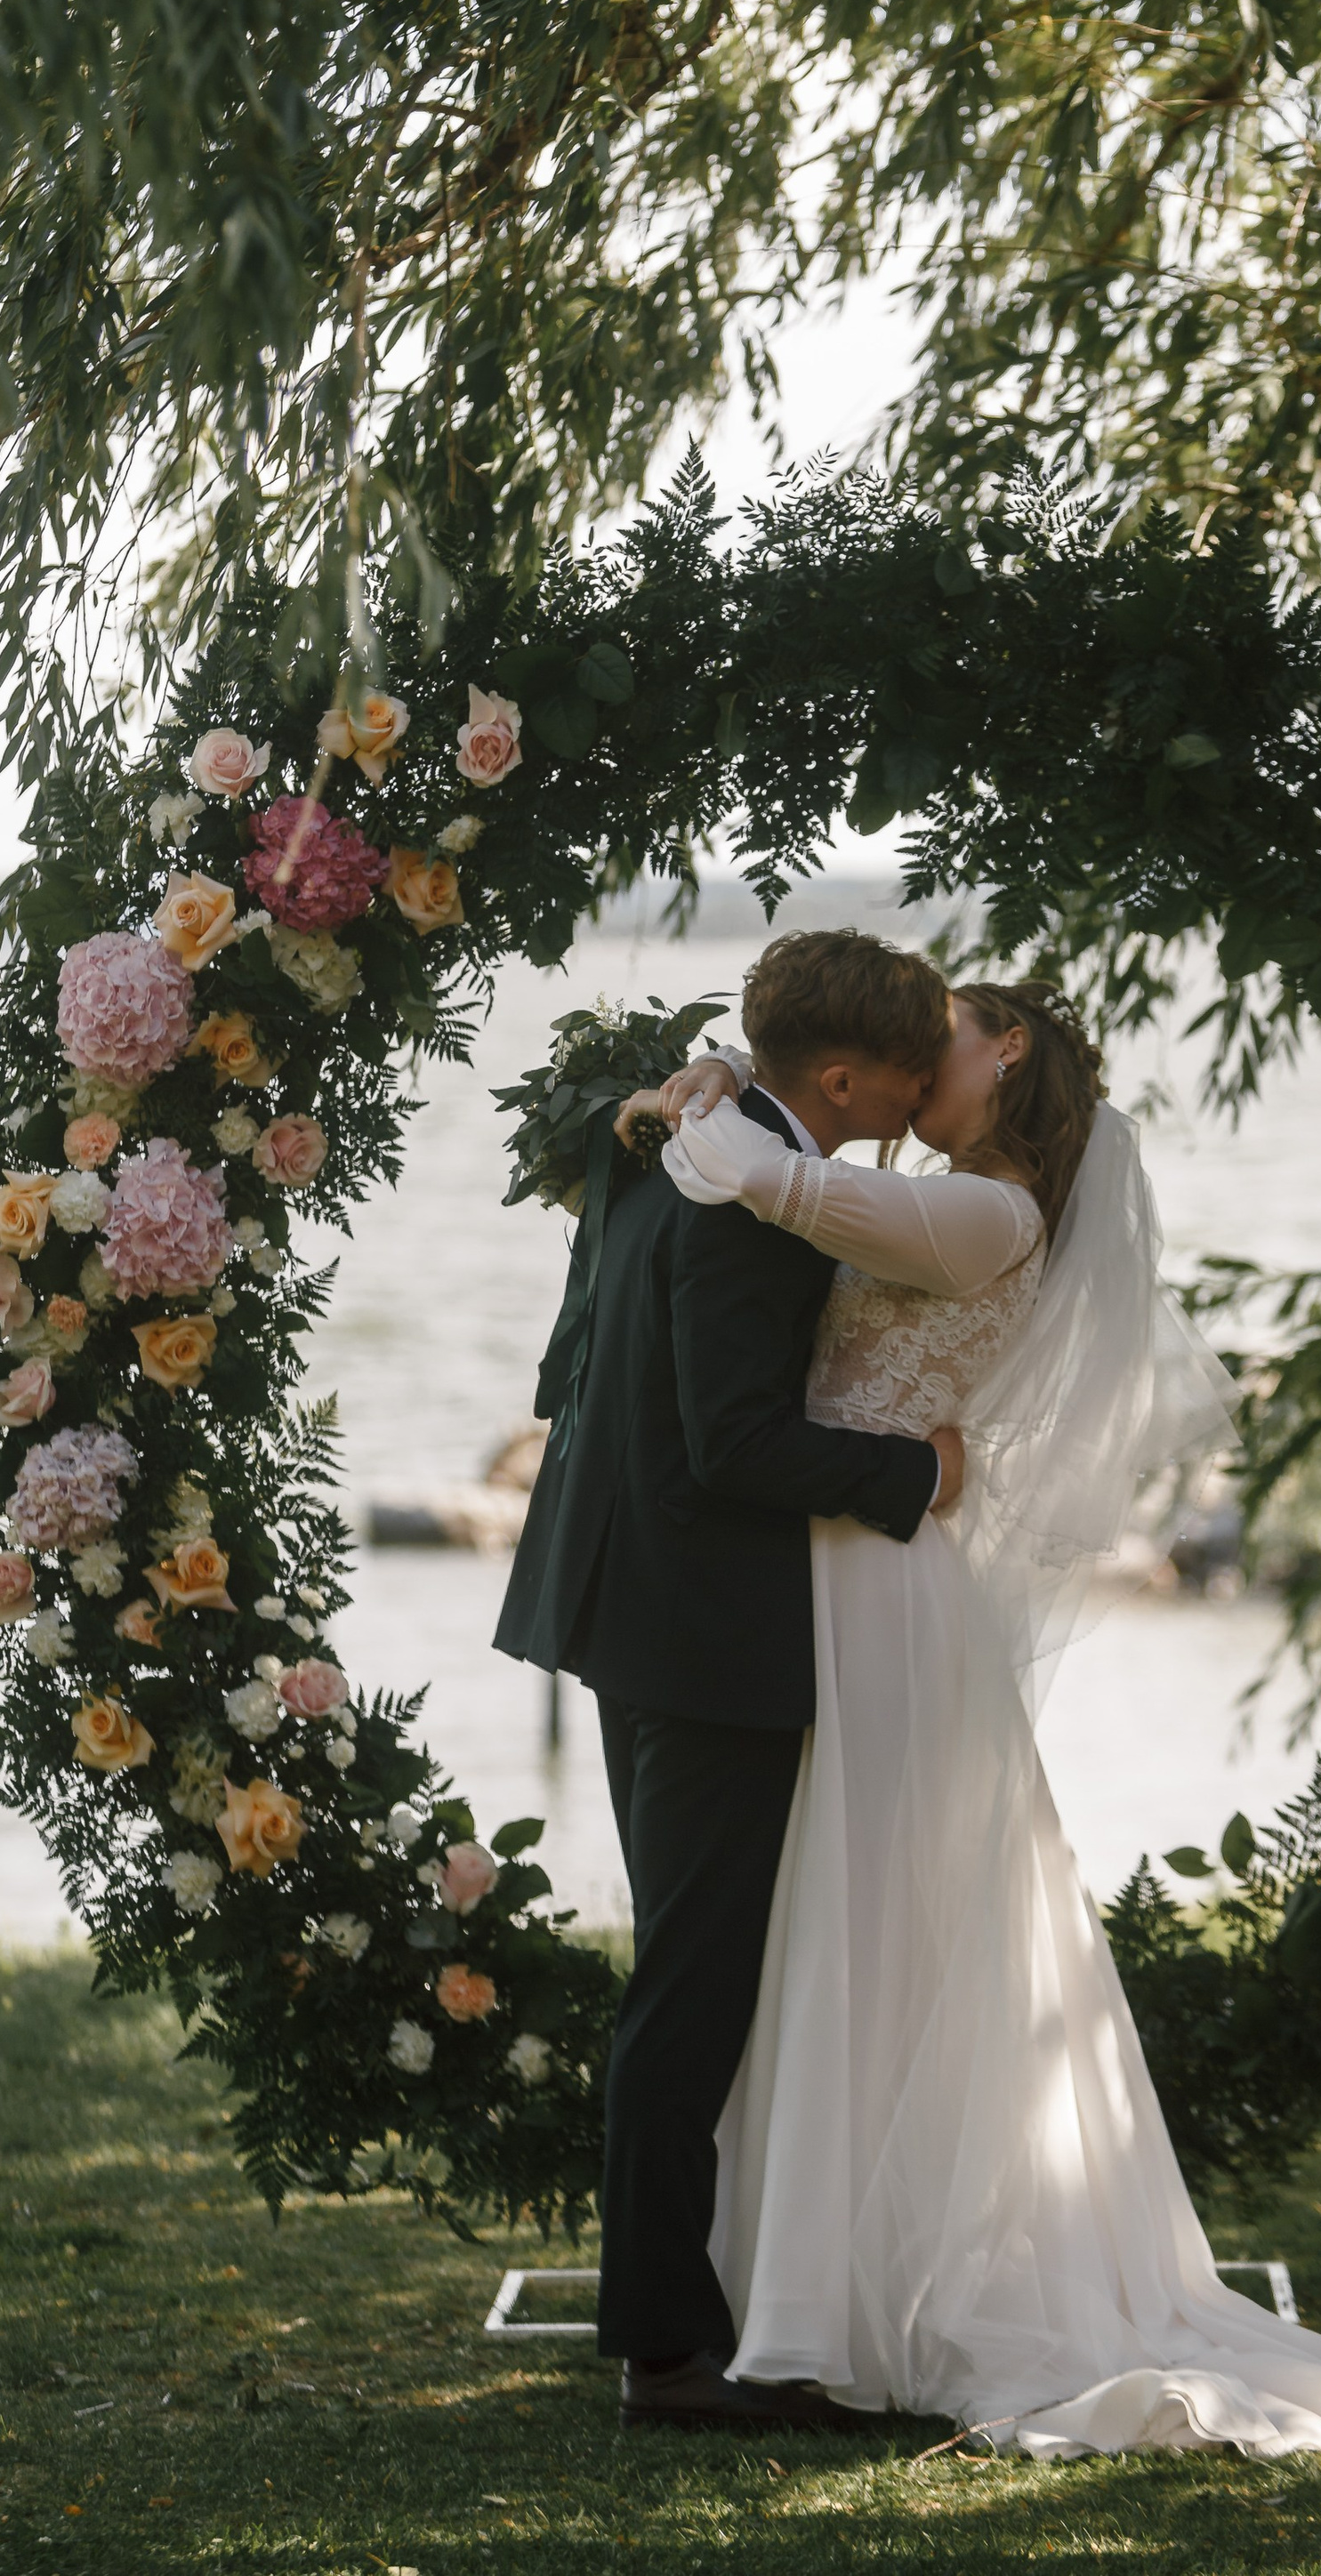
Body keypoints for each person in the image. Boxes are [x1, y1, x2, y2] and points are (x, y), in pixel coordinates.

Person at [641, 979, 1321, 2459]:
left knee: (862, 1919)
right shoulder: (941, 1197)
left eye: (941, 1040)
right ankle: (796, 2285)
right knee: (827, 1917)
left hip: (874, 1579)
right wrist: (711, 1073)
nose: (914, 1067)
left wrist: (702, 1100)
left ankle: (833, 2303)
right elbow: (781, 1160)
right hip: (833, 1562)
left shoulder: (989, 1215)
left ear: (1007, 1048)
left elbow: (773, 1182)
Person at [493, 930, 964, 2433]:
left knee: (686, 1979)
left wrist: (667, 1086)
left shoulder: (685, 1137)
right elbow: (738, 1444)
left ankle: (694, 2311)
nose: (919, 1100)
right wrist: (916, 1476)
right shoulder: (754, 1200)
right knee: (690, 1994)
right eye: (907, 1076)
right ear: (845, 1078)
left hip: (625, 1605)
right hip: (697, 1638)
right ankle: (667, 2355)